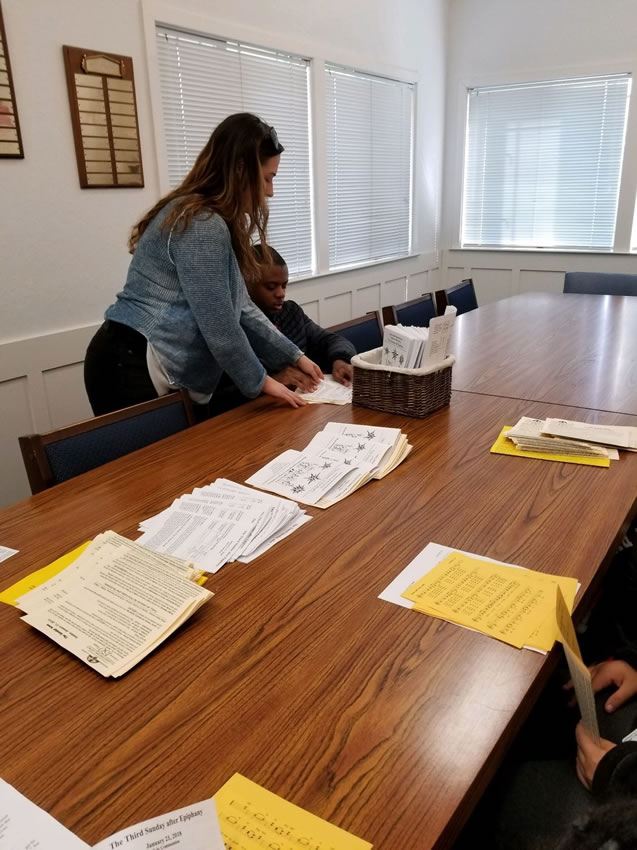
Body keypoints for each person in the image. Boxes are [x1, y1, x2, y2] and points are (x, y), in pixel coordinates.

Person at [84, 113, 322, 418]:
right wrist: (264, 382)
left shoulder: (213, 220)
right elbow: (220, 327)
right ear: (239, 171)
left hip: (135, 359)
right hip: (128, 362)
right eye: (267, 178)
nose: (270, 191)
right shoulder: (201, 224)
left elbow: (242, 307)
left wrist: (295, 356)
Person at [246, 244, 356, 391]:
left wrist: (340, 360)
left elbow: (332, 340)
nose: (281, 294)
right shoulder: (237, 326)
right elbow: (224, 390)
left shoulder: (291, 312)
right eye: (271, 287)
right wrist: (273, 380)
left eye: (284, 286)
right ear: (246, 285)